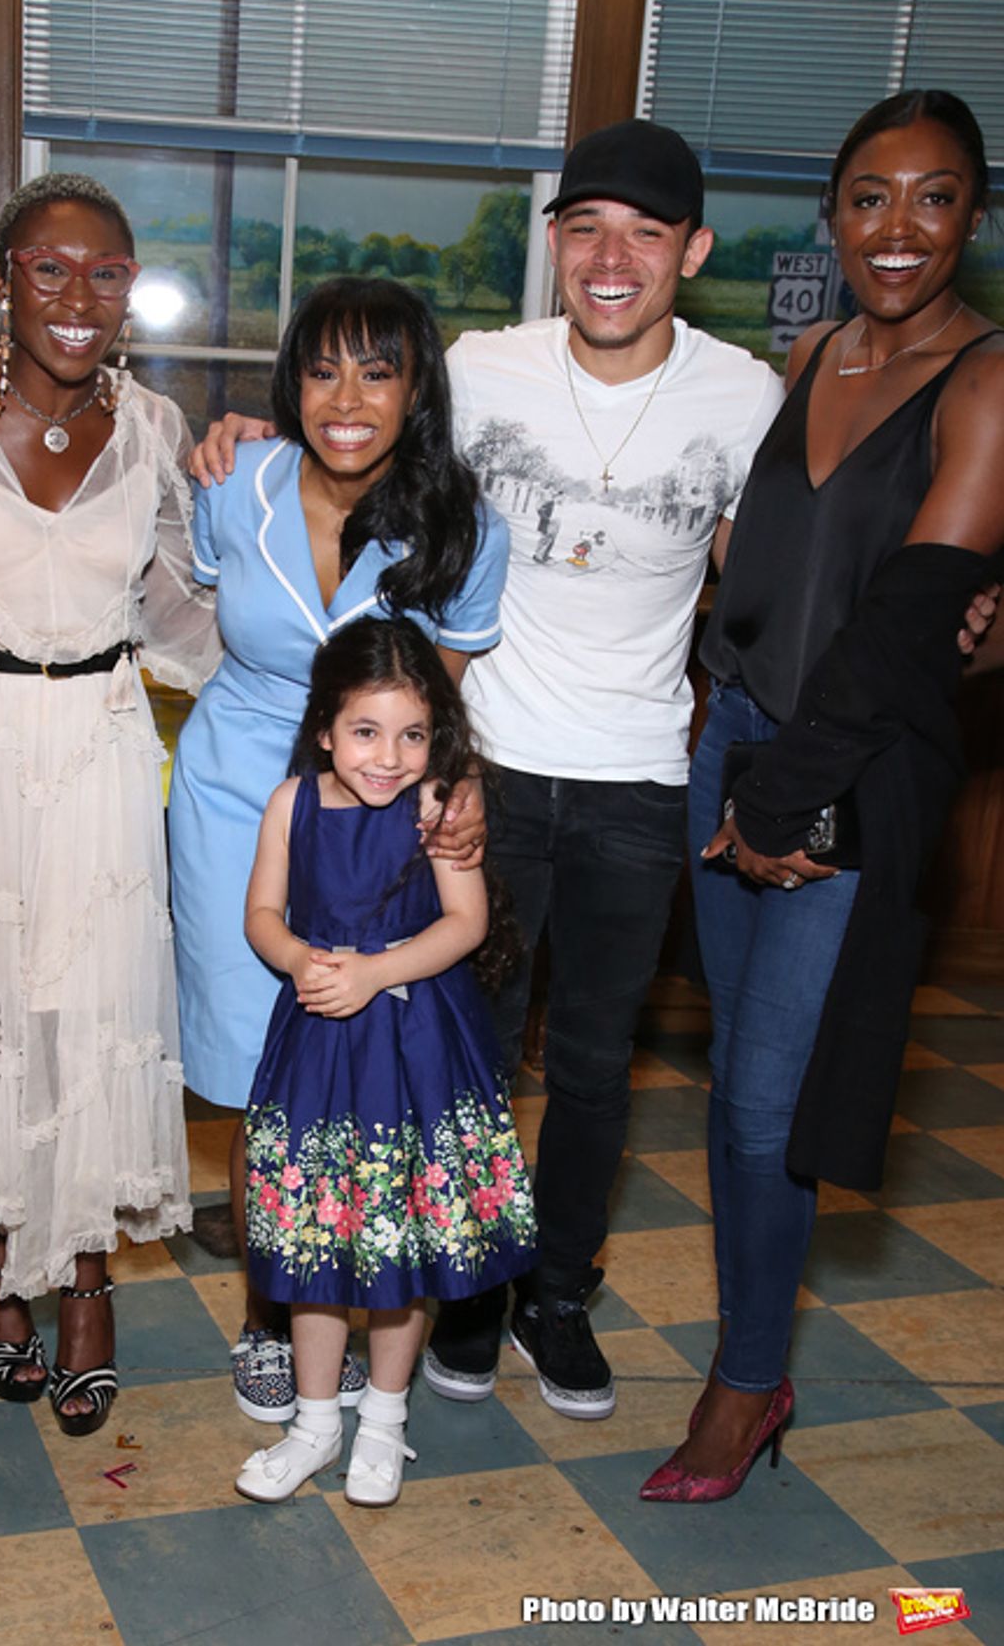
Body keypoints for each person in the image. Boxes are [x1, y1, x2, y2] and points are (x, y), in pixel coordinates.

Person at [191, 122, 782, 1421]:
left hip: (639, 773)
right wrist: (249, 432)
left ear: (692, 250)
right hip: (482, 775)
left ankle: (553, 1294)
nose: (611, 258)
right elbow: (361, 430)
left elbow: (765, 581)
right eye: (586, 229)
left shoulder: (745, 396)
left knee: (594, 1061)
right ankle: (460, 1291)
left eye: (643, 233)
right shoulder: (482, 367)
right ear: (554, 242)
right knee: (458, 1052)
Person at [642, 88, 1004, 1502]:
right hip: (734, 740)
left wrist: (777, 803)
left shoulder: (984, 381)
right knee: (737, 1073)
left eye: (932, 196)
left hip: (834, 777)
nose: (896, 227)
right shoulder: (810, 353)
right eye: (868, 197)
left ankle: (747, 1383)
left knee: (761, 1108)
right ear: (833, 216)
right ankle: (750, 1349)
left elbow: (908, 621)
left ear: (972, 216)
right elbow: (769, 568)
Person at [0, 174, 217, 1435]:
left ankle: (82, 1277)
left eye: (106, 272)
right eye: (49, 267)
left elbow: (186, 611)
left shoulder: (156, 425)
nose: (79, 295)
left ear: (129, 290)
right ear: (1, 279)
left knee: (89, 1016)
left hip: (103, 749)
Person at [169, 276, 507, 1422]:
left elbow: (437, 709)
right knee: (256, 1072)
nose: (346, 399)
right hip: (234, 796)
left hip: (378, 817)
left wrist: (450, 796)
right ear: (289, 384)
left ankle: (369, 1301)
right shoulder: (233, 482)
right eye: (321, 370)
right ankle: (270, 1314)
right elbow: (189, 602)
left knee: (371, 1069)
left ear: (417, 389)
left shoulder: (463, 524)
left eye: (376, 371)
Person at [234, 617, 536, 1506]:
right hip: (321, 1042)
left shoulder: (438, 804)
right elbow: (262, 914)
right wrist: (299, 959)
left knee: (402, 1236)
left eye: (412, 735)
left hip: (417, 1044)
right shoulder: (291, 804)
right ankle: (315, 1422)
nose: (389, 756)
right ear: (326, 727)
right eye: (366, 731)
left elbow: (466, 923)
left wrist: (374, 972)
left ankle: (385, 1418)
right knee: (317, 1236)